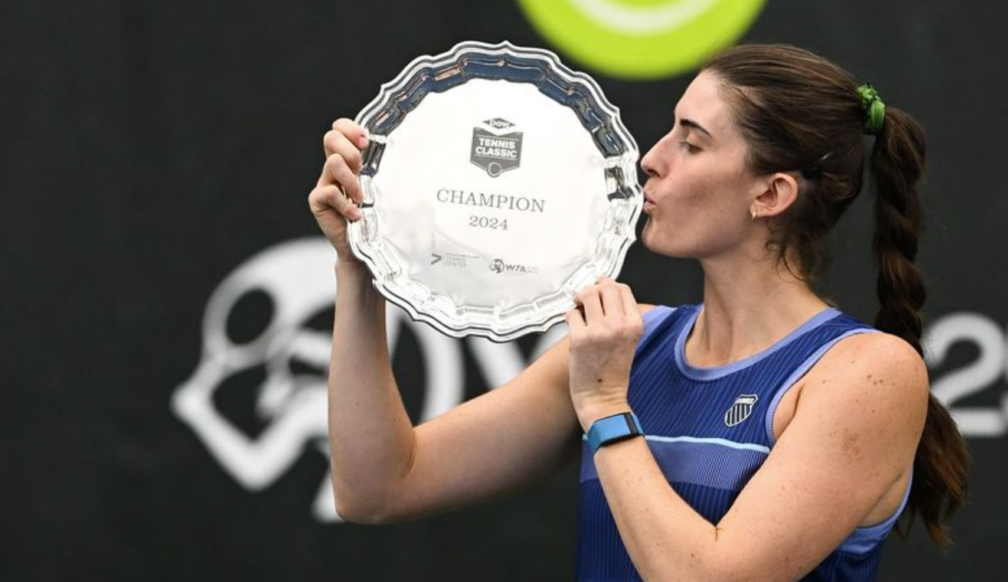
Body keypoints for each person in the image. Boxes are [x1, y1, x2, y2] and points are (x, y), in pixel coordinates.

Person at [308, 43, 970, 581]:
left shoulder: (867, 372)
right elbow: (376, 486)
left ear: (769, 193)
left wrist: (603, 405)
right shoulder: (636, 347)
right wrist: (360, 268)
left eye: (691, 140)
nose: (649, 158)